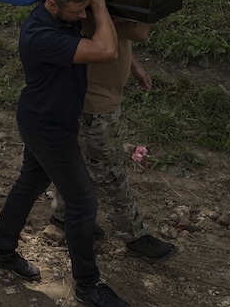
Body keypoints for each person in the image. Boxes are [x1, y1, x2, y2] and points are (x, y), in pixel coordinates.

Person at [0, 0, 131, 307]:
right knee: (82, 202)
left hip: (50, 120)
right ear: (52, 4)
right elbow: (107, 49)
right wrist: (99, 7)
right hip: (47, 128)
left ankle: (1, 252)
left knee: (30, 183)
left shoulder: (60, 16)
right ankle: (87, 284)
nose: (83, 17)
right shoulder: (41, 35)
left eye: (85, 10)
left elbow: (110, 43)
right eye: (77, 11)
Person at [49, 19, 178, 262]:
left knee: (83, 160)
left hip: (102, 99)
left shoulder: (103, 5)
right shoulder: (93, 4)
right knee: (109, 171)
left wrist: (133, 66)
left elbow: (112, 37)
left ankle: (64, 213)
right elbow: (140, 31)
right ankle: (134, 235)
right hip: (94, 104)